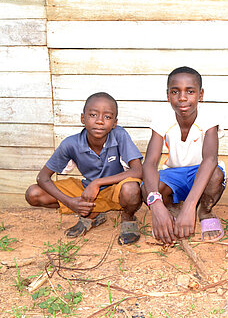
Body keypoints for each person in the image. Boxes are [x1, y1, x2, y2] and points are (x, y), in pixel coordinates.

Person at [25, 92, 143, 245]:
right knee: (33, 193)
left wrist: (97, 183)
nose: (100, 121)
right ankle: (93, 213)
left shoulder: (119, 135)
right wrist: (70, 202)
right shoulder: (71, 144)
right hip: (88, 193)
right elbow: (42, 177)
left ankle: (127, 218)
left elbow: (137, 171)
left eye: (107, 117)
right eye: (93, 115)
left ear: (114, 123)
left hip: (116, 191)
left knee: (131, 189)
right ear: (83, 118)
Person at [142, 66, 226, 245]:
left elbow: (210, 159)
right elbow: (149, 163)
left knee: (216, 174)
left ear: (200, 94)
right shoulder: (162, 117)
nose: (182, 97)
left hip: (201, 173)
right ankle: (171, 208)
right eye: (175, 91)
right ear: (167, 95)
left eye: (190, 91)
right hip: (175, 174)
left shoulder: (210, 116)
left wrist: (190, 206)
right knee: (147, 187)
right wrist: (155, 204)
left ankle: (204, 210)